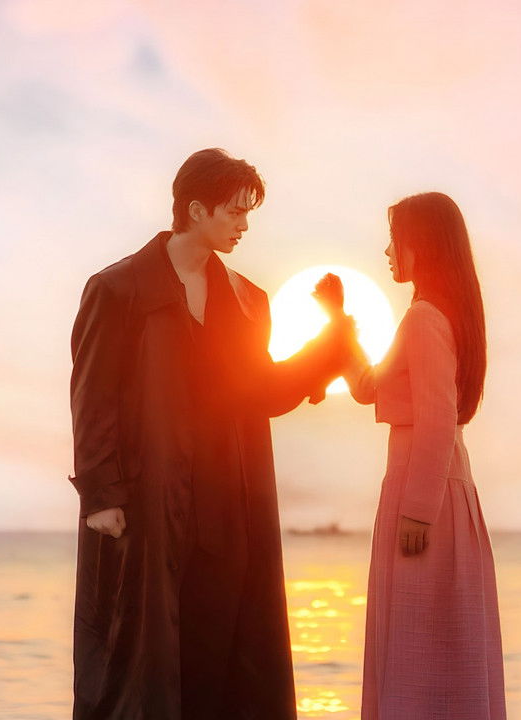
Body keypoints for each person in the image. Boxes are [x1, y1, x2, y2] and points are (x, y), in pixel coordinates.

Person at [67, 148, 350, 719]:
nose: (245, 225)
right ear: (196, 210)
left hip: (227, 508)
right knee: (137, 665)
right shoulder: (118, 289)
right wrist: (101, 494)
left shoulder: (249, 299)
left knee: (223, 662)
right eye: (235, 212)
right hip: (146, 504)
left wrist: (331, 341)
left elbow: (260, 392)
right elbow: (92, 396)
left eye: (248, 213)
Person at [316, 192, 507, 719]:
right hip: (436, 485)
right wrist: (338, 321)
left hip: (423, 490)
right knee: (437, 645)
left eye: (394, 240)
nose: (386, 252)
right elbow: (367, 386)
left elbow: (438, 419)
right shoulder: (432, 316)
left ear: (421, 244)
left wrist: (418, 510)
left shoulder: (425, 318)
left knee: (417, 644)